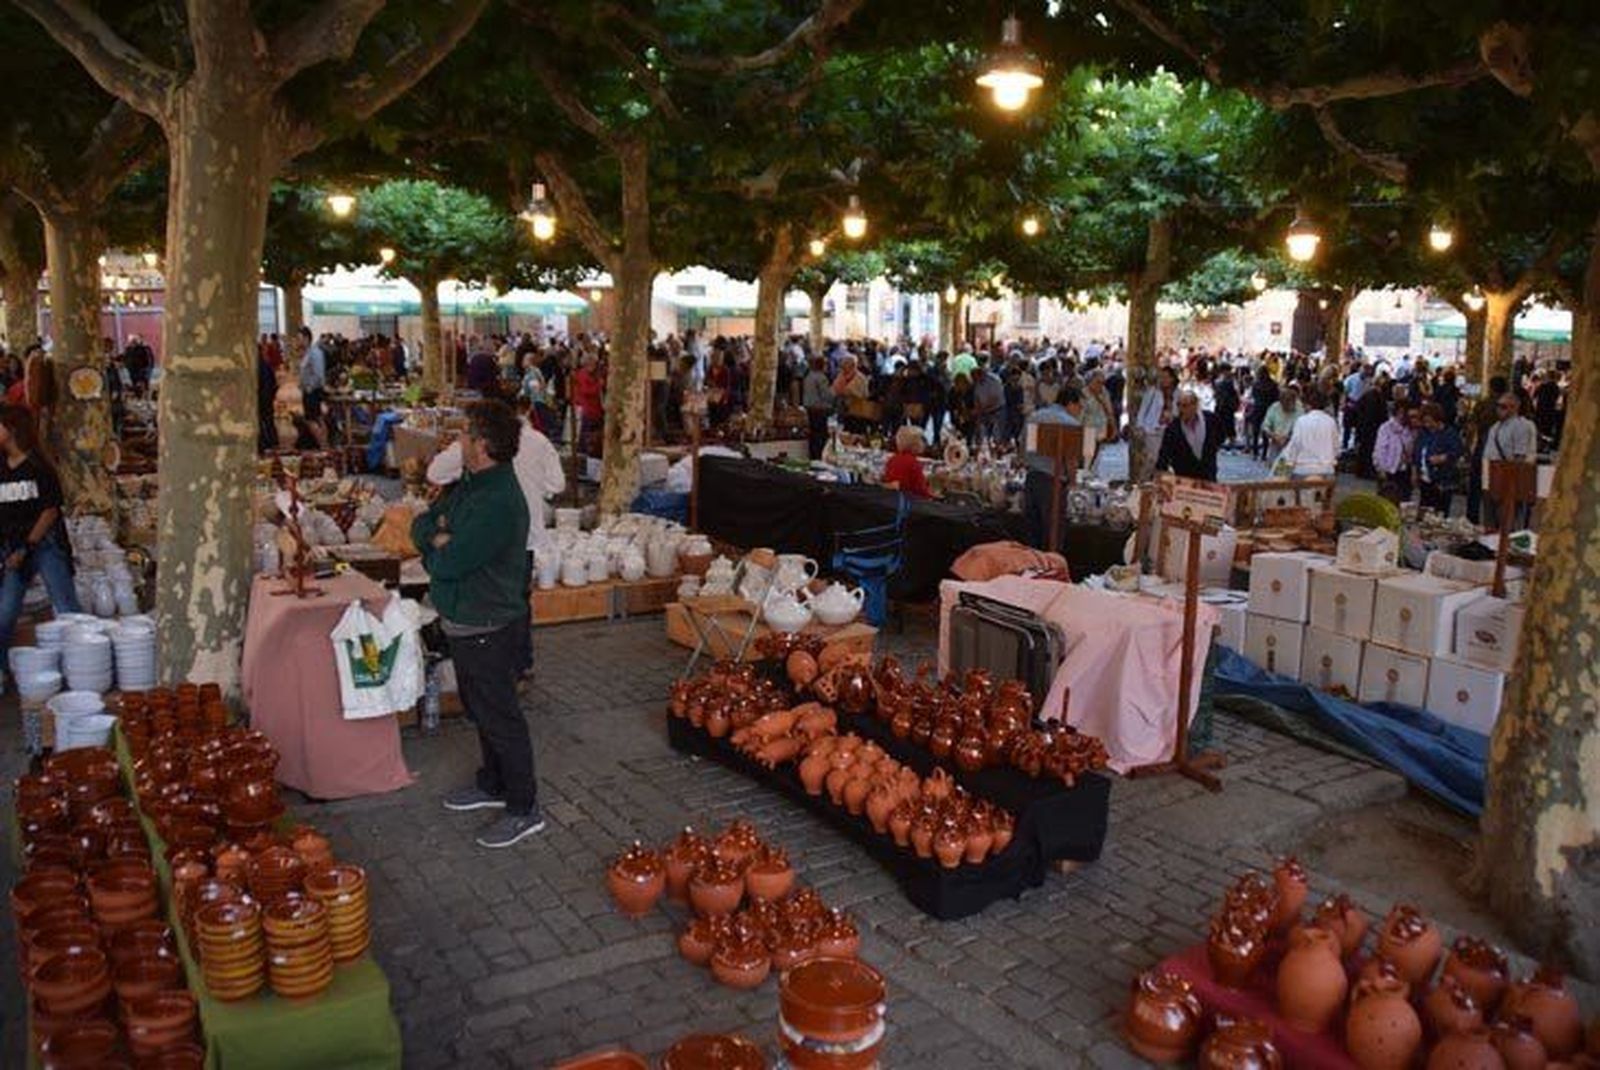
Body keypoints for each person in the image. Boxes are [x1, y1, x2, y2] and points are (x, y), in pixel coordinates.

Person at [413, 401, 543, 849]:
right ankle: (493, 783)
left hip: (488, 623)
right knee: (481, 709)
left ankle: (524, 807)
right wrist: (436, 536)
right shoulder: (472, 484)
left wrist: (438, 548)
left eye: (465, 435)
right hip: (467, 621)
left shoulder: (498, 501)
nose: (459, 441)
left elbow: (450, 562)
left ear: (482, 445)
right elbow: (423, 524)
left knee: (500, 715)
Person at [0, 407, 83, 683]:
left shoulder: (39, 467)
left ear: (12, 430)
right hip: (13, 547)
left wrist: (28, 546)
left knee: (66, 607)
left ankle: (81, 667)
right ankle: (2, 670)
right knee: (6, 611)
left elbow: (50, 511)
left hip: (44, 544)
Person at [1021, 385, 1084, 548]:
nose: (1080, 410)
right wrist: (1073, 482)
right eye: (1079, 406)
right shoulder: (1070, 423)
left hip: (1032, 478)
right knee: (1052, 534)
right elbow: (1071, 459)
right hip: (1053, 483)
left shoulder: (1034, 416)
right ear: (1070, 403)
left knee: (1032, 531)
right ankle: (1051, 562)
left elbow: (1023, 447)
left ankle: (1033, 562)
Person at [1482, 392, 1538, 528]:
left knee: (1506, 522)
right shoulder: (1495, 426)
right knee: (1491, 521)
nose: (1499, 409)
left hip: (1507, 479)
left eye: (1503, 406)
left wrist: (1511, 482)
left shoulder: (1521, 426)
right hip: (1491, 477)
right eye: (1498, 406)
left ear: (1514, 408)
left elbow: (1520, 456)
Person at [1154, 389, 1225, 481]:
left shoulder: (1211, 419)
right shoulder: (1173, 428)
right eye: (1178, 405)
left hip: (1208, 475)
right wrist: (1161, 471)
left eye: (1184, 406)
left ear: (1195, 405)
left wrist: (1211, 450)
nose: (1181, 410)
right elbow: (1164, 453)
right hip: (1184, 478)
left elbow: (1221, 436)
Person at [1277, 386, 1339, 478]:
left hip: (1303, 470)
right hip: (1326, 469)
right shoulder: (1331, 422)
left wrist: (1284, 467)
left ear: (1308, 405)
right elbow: (1336, 448)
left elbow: (1294, 446)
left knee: (1283, 476)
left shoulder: (1301, 421)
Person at [1416, 402, 1464, 516]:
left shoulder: (1449, 433)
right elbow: (1417, 451)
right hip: (1425, 479)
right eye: (1425, 421)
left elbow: (1458, 450)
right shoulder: (1424, 433)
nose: (1427, 425)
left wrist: (1444, 457)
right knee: (1425, 512)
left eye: (1429, 421)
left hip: (1442, 479)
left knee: (1440, 513)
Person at [1132, 367, 1177, 483]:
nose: (1163, 380)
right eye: (1161, 377)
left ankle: (1159, 484)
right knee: (1152, 458)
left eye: (1166, 377)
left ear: (1172, 378)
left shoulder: (1177, 393)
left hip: (1169, 430)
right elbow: (1143, 409)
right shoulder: (1153, 392)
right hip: (1152, 429)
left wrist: (1172, 415)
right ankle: (1142, 482)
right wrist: (1140, 426)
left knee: (1165, 460)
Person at [1372, 403, 1415, 504]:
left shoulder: (1410, 429)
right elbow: (1380, 449)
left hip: (1404, 471)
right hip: (1389, 470)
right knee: (1386, 501)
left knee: (1404, 501)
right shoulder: (1386, 427)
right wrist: (1381, 468)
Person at [880, 426, 931, 499]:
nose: (925, 444)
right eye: (923, 440)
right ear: (915, 444)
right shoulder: (913, 463)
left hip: (892, 499)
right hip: (910, 500)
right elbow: (921, 491)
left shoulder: (892, 459)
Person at [297, 327, 326, 422]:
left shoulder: (315, 353)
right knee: (310, 419)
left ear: (306, 338)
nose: (298, 341)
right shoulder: (307, 353)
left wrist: (310, 387)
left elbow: (319, 374)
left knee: (314, 420)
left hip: (313, 392)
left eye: (299, 338)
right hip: (307, 392)